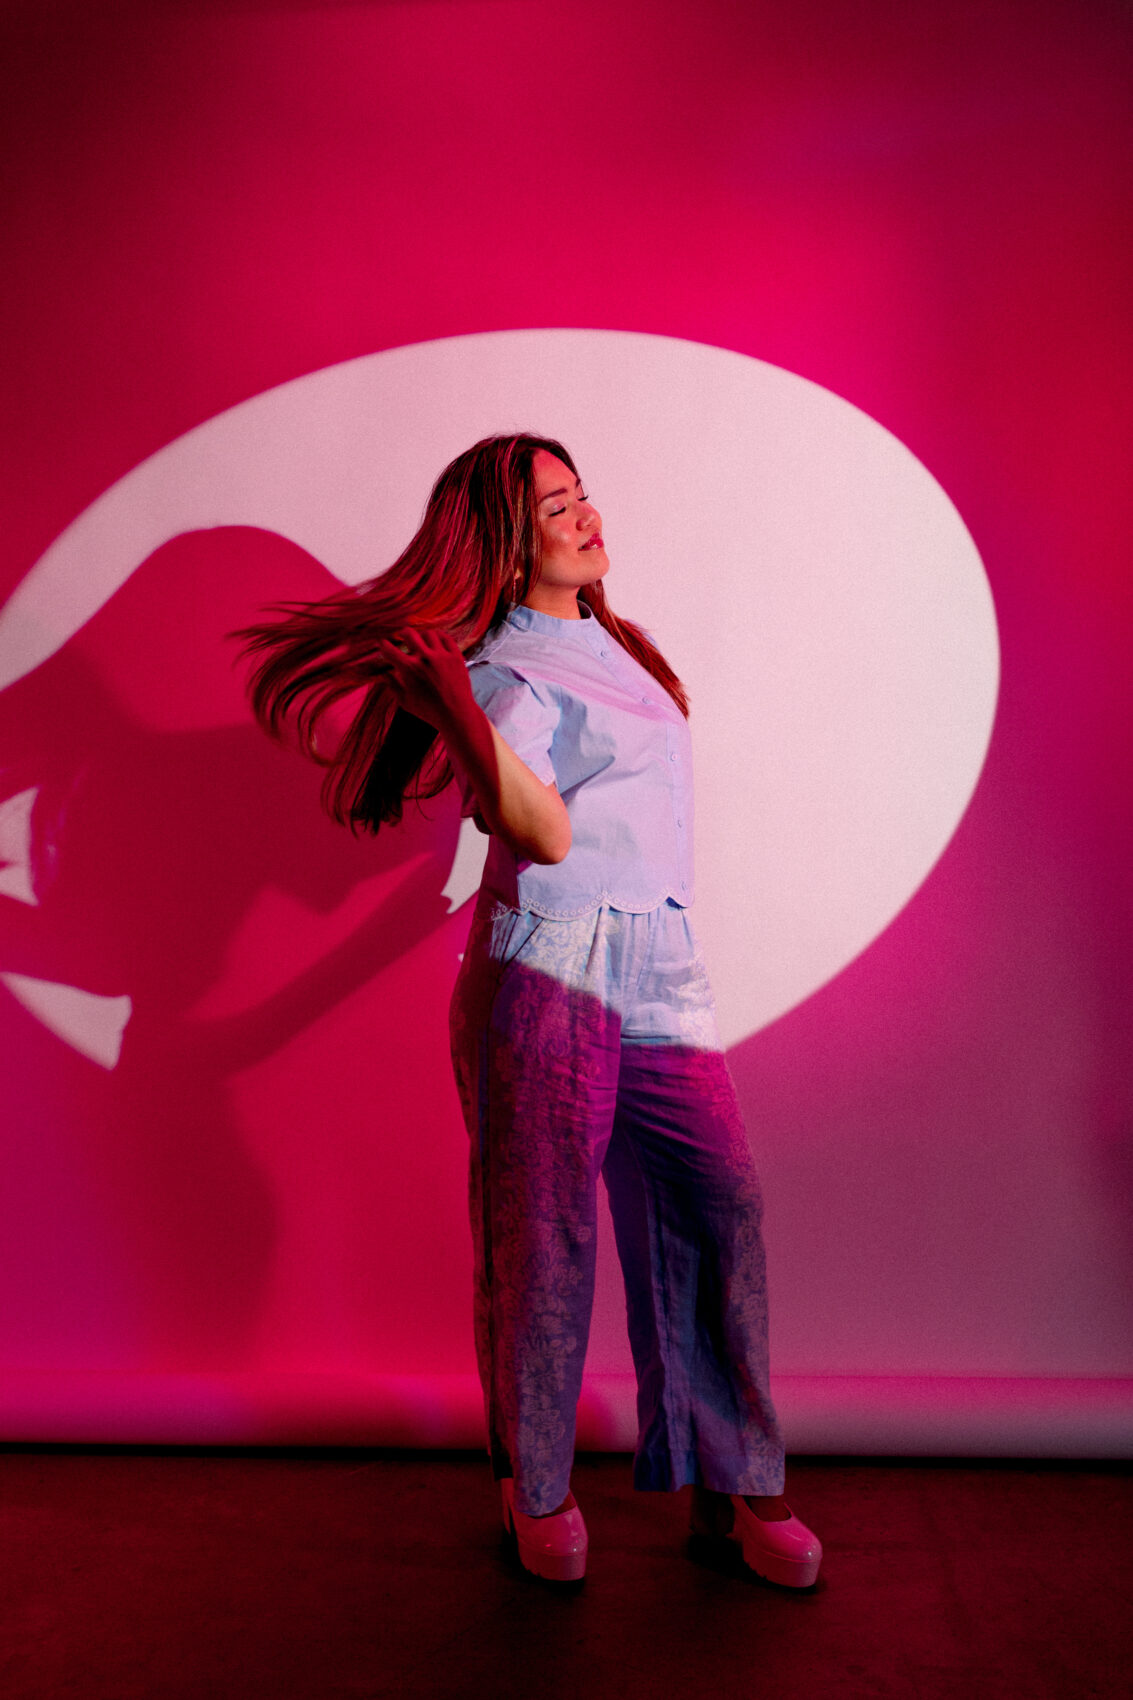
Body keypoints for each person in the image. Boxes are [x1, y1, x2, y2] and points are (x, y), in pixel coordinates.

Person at [237, 433, 822, 1589]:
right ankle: (535, 1484)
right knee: (544, 1237)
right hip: (551, 961)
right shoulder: (502, 667)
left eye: (581, 493)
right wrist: (455, 704)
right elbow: (541, 832)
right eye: (557, 507)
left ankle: (735, 1476)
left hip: (659, 954)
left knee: (717, 1204)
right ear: (509, 543)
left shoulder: (614, 641)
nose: (586, 515)